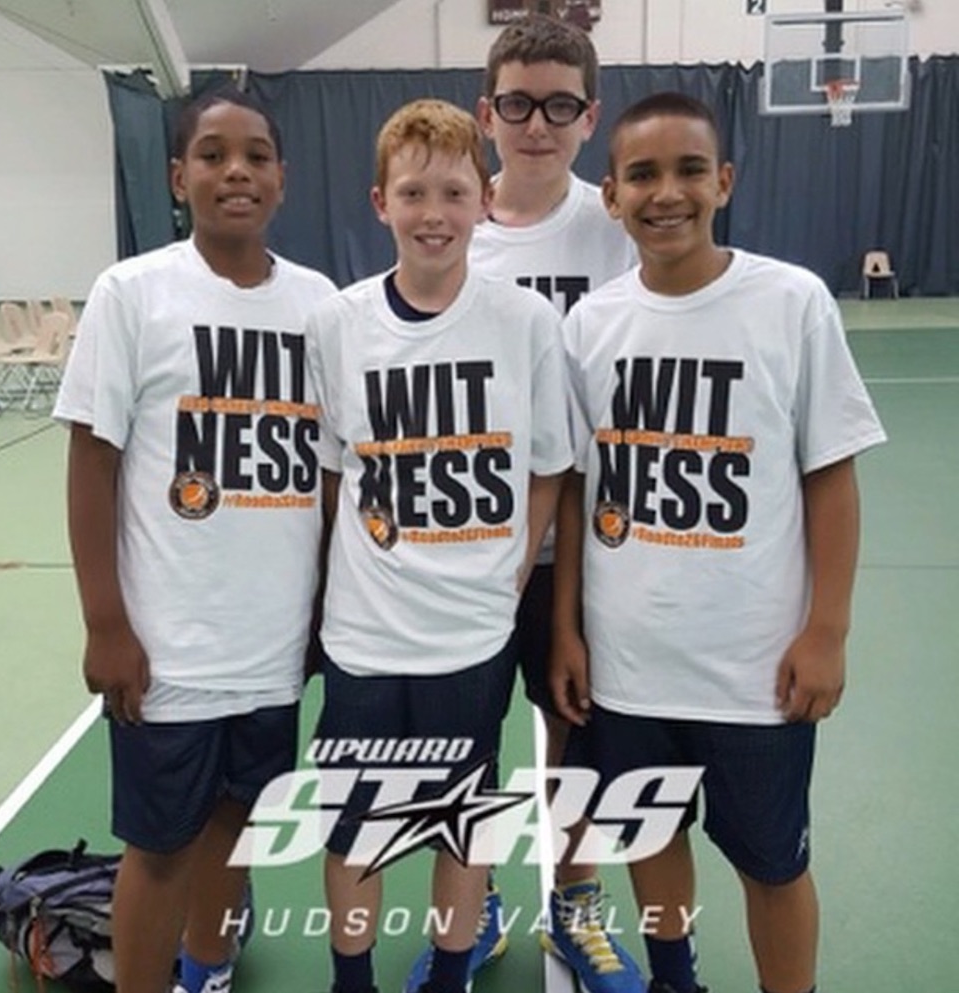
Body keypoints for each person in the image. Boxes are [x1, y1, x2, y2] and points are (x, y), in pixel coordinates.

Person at [552, 91, 887, 993]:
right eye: (644, 175)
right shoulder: (591, 326)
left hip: (755, 667)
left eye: (690, 169)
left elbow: (831, 476)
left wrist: (827, 630)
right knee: (651, 836)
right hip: (629, 661)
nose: (668, 193)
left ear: (725, 181)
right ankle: (674, 977)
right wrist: (569, 628)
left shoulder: (791, 302)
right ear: (612, 197)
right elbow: (581, 491)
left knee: (773, 862)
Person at [54, 86, 337, 993]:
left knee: (236, 825)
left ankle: (205, 970)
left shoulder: (319, 304)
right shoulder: (132, 293)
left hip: (274, 642)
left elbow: (332, 470)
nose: (236, 171)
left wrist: (326, 609)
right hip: (170, 647)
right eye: (212, 155)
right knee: (161, 847)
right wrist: (107, 623)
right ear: (178, 178)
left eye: (255, 154)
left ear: (283, 178)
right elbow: (92, 463)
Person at [304, 98, 572, 993]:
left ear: (485, 200)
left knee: (463, 824)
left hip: (471, 633)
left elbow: (547, 468)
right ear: (379, 201)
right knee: (356, 828)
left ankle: (453, 970)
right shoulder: (338, 324)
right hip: (365, 635)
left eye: (454, 192)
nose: (433, 213)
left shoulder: (526, 323)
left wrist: (507, 571)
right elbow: (335, 473)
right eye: (413, 192)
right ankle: (354, 980)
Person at [458, 14, 643, 993]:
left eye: (558, 105)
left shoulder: (615, 226)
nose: (537, 123)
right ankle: (474, 898)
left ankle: (573, 906)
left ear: (587, 117)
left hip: (587, 544)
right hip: (470, 545)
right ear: (487, 113)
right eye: (519, 103)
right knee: (469, 735)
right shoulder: (447, 222)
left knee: (574, 727)